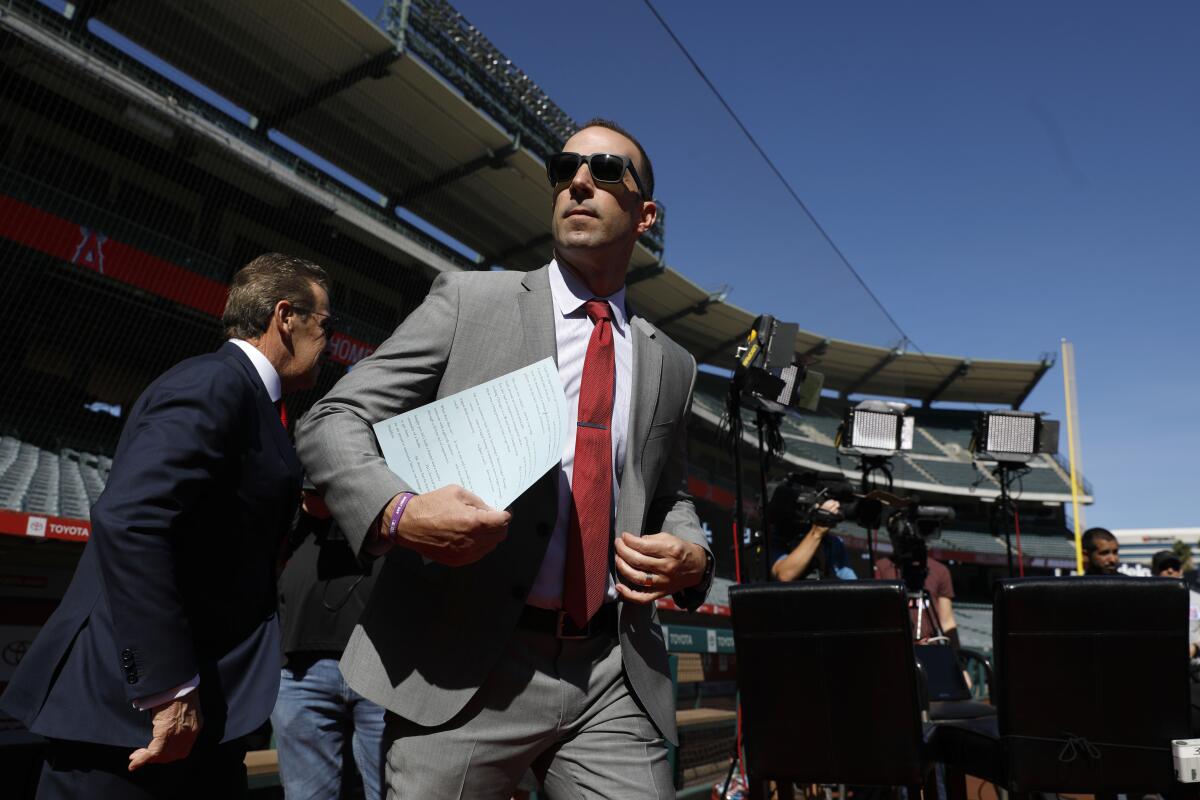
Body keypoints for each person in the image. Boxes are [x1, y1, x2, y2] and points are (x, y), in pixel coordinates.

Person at [296, 119, 713, 799]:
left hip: (614, 671)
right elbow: (333, 419)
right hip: (463, 667)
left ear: (646, 216)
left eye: (606, 171)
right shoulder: (469, 301)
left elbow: (671, 496)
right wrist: (398, 512)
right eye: (565, 168)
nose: (578, 182)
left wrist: (692, 555)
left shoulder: (671, 360)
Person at [0, 253, 331, 799]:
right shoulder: (215, 383)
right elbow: (132, 519)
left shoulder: (253, 402)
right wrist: (167, 687)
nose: (331, 343)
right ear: (285, 316)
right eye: (325, 324)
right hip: (134, 715)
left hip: (202, 710)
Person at [271, 490, 386, 800]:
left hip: (387, 661)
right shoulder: (285, 452)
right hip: (298, 660)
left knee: (397, 792)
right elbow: (315, 501)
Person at [874, 521, 960, 647]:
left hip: (930, 647)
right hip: (894, 645)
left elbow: (946, 620)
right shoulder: (883, 567)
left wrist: (957, 658)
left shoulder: (940, 571)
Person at [1150, 549, 1200, 659]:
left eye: (1175, 566)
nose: (1170, 570)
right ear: (1154, 571)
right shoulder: (1146, 601)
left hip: (1194, 666)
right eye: (1164, 567)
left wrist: (1195, 647)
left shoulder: (1197, 599)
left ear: (1181, 571)